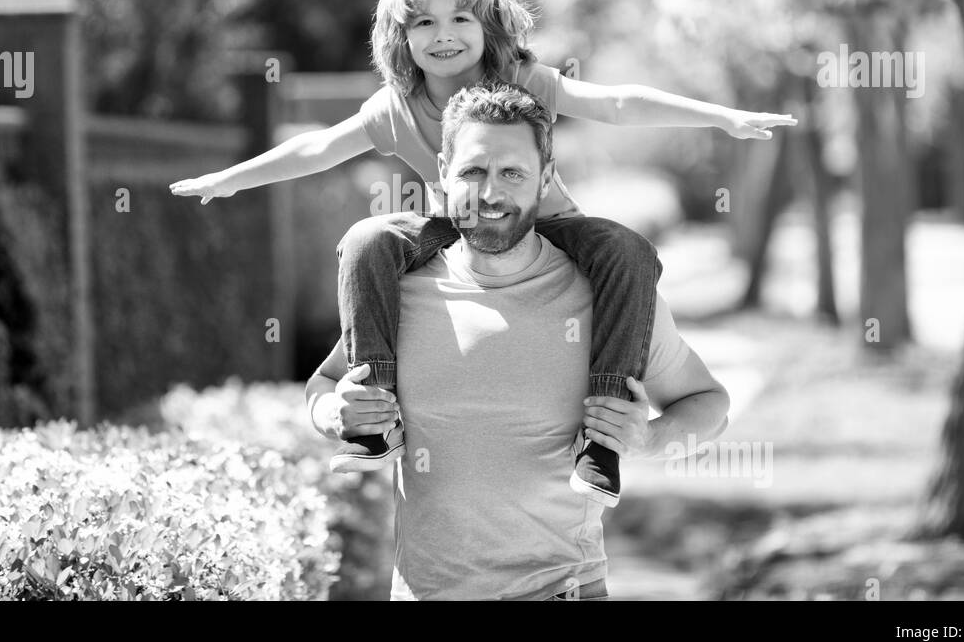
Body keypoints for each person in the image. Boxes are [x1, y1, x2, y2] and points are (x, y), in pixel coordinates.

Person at [170, 0, 787, 506]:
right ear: (400, 37)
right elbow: (317, 149)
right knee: (369, 240)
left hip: (553, 225)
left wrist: (721, 117)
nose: (444, 36)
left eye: (460, 18)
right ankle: (375, 422)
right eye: (425, 22)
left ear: (487, 26)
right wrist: (229, 179)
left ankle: (601, 443)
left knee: (624, 248)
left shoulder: (521, 80)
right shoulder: (397, 107)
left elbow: (618, 102)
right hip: (459, 229)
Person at [305, 82, 729, 599]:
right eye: (473, 171)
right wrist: (332, 413)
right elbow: (325, 385)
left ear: (545, 178)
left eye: (512, 173)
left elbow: (710, 405)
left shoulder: (609, 297)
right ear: (443, 171)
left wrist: (649, 439)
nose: (490, 193)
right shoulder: (398, 289)